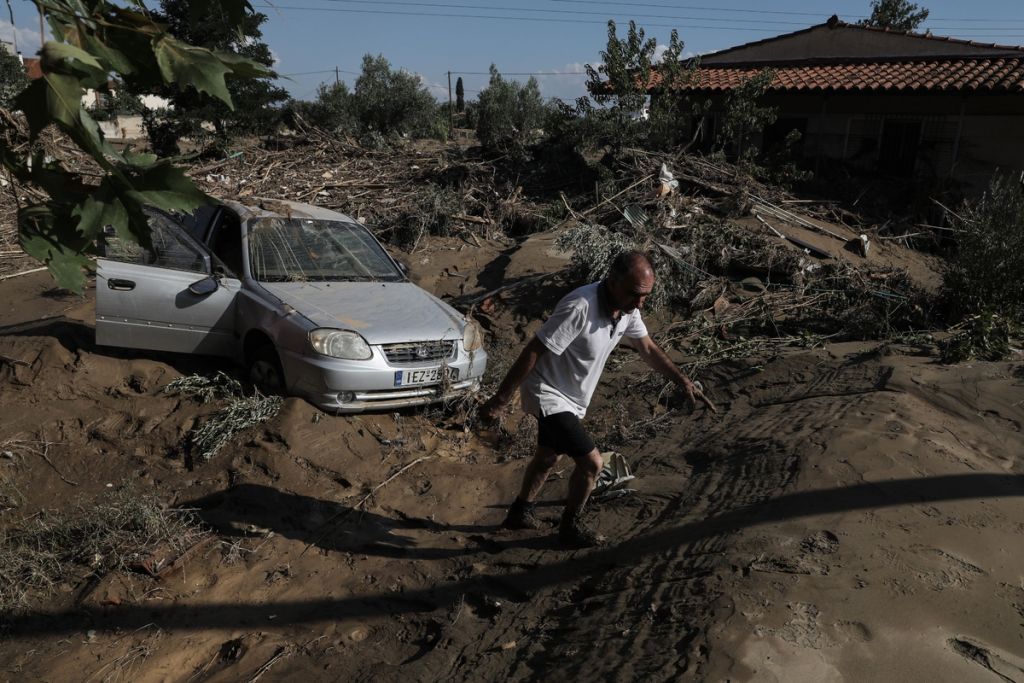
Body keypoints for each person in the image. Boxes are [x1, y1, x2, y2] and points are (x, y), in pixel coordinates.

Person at [479, 250, 716, 548]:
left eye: (645, 296)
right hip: (548, 392)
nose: (640, 302)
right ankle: (569, 528)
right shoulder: (580, 306)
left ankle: (519, 513)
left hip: (573, 398)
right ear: (613, 281)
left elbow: (647, 348)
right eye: (634, 294)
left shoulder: (628, 308)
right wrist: (501, 400)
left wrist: (681, 379)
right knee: (591, 464)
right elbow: (534, 350)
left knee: (547, 457)